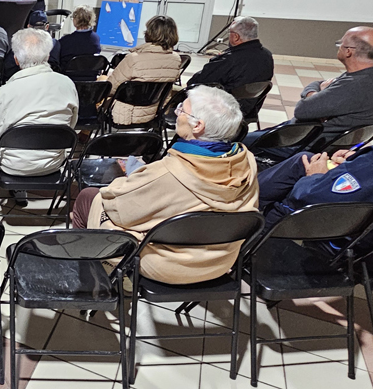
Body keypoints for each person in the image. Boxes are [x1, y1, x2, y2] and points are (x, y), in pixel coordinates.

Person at [71, 86, 259, 284]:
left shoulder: (169, 172)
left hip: (169, 265)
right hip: (219, 261)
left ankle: (86, 275)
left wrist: (128, 180)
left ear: (198, 126)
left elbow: (119, 208)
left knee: (89, 196)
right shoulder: (247, 162)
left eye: (182, 110)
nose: (177, 114)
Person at [245, 27, 373, 159]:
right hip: (305, 137)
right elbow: (318, 84)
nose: (338, 47)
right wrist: (317, 93)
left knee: (236, 140)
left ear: (348, 51)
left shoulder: (353, 86)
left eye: (340, 44)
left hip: (297, 144)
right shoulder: (363, 76)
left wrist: (315, 95)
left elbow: (302, 110)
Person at [0, 27, 78, 179]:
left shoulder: (6, 91)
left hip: (13, 164)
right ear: (48, 56)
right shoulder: (68, 84)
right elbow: (71, 125)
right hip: (53, 162)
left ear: (16, 59)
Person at [105, 15, 182, 126]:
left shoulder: (133, 59)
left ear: (149, 33)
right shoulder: (176, 59)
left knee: (97, 92)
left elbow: (110, 88)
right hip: (153, 113)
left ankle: (84, 133)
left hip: (125, 114)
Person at [187, 16, 274, 91]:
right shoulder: (267, 55)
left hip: (225, 103)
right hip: (251, 104)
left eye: (229, 32)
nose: (228, 36)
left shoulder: (230, 60)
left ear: (236, 37)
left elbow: (195, 82)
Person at [57, 5, 102, 73]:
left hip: (68, 77)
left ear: (75, 20)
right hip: (90, 76)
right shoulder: (96, 38)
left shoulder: (65, 41)